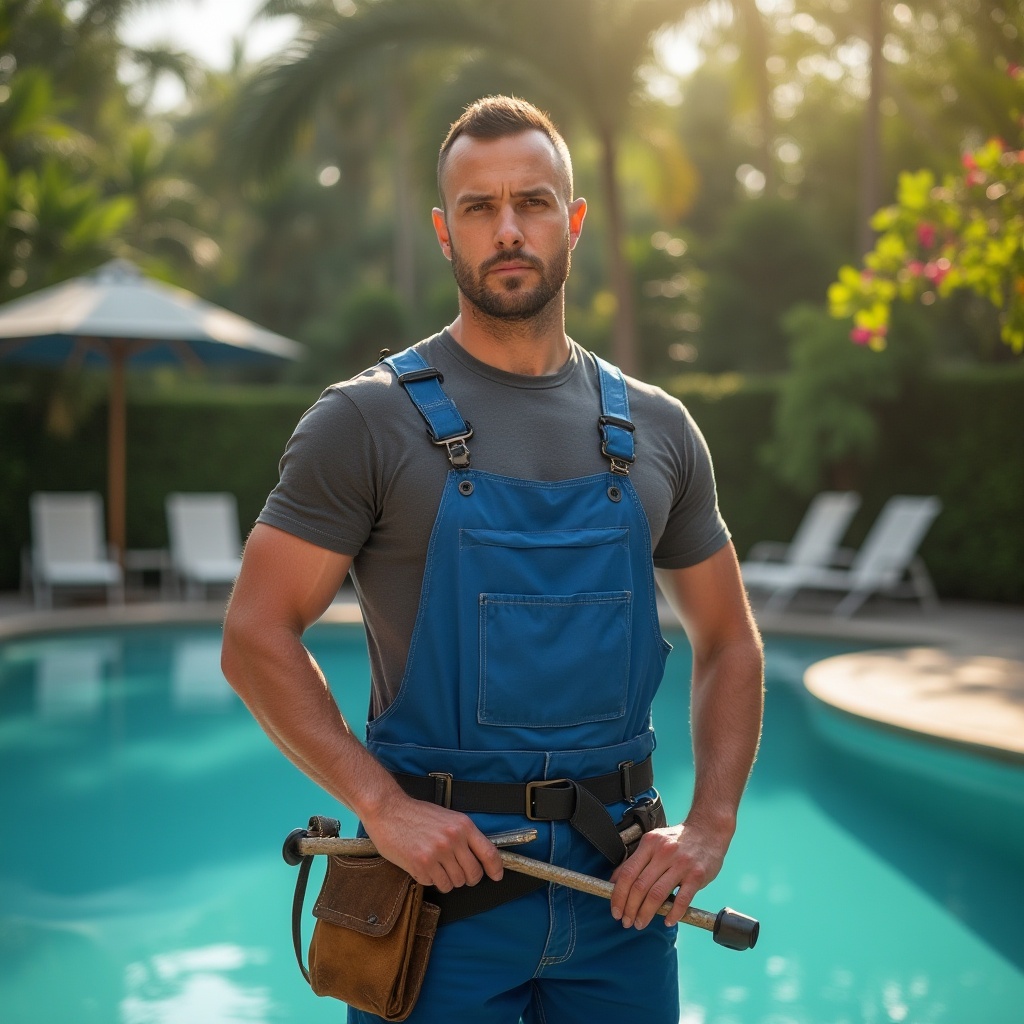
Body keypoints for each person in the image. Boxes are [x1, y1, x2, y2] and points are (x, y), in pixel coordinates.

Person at [222, 95, 764, 1024]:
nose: (507, 229)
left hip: (623, 901)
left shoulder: (661, 429)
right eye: (478, 208)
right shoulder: (365, 421)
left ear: (574, 219)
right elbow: (254, 637)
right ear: (444, 232)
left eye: (533, 202)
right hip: (434, 906)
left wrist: (710, 824)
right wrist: (381, 808)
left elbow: (731, 642)